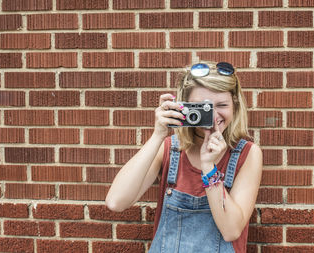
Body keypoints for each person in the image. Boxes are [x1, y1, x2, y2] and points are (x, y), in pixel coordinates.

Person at [105, 61, 263, 253]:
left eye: (221, 105)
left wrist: (208, 166)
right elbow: (116, 202)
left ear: (235, 107)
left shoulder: (247, 154)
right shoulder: (170, 149)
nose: (213, 116)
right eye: (203, 107)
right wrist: (158, 135)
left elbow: (231, 230)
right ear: (184, 106)